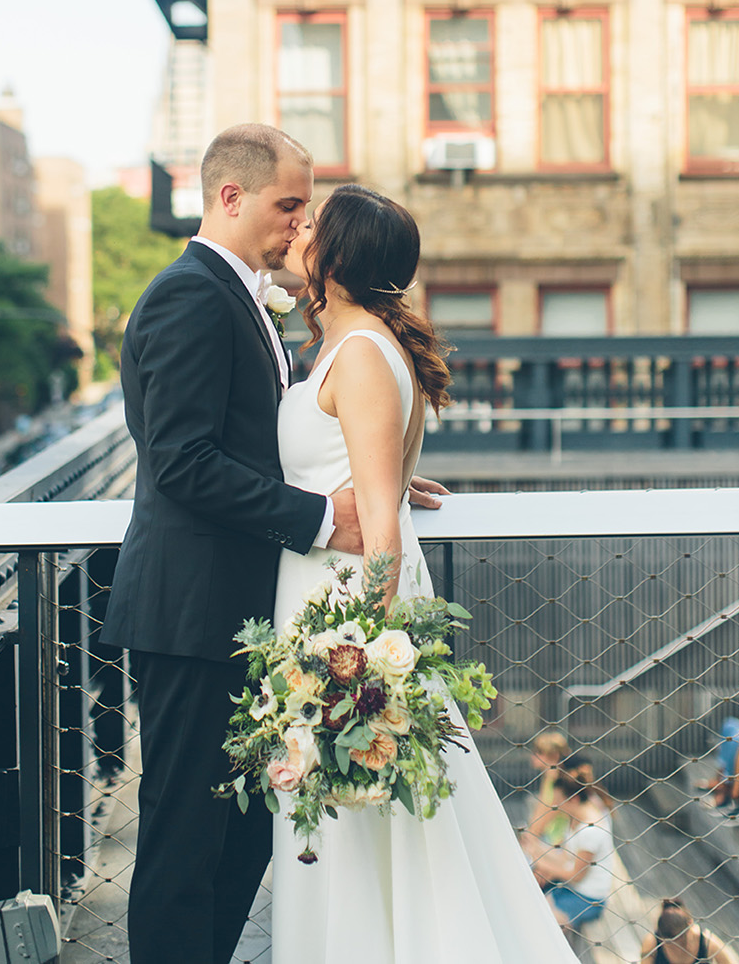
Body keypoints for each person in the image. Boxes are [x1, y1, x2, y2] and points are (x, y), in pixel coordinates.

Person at [101, 126, 445, 964]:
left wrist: (379, 479)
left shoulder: (247, 299)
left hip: (250, 619)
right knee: (186, 842)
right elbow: (182, 462)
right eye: (289, 205)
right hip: (191, 614)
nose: (300, 227)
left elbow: (265, 444)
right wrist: (329, 517)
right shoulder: (191, 294)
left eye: (307, 211)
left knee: (243, 839)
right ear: (230, 196)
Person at [270, 183, 579, 963]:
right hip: (321, 610)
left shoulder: (366, 352)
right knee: (350, 830)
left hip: (344, 626)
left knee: (370, 830)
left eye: (309, 227)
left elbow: (382, 536)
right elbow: (362, 472)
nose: (295, 233)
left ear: (333, 260)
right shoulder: (349, 345)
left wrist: (360, 675)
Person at [544, 766, 615, 936]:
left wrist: (542, 863)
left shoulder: (590, 830)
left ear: (574, 799)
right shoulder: (576, 818)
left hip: (590, 899)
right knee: (535, 904)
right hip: (572, 889)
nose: (555, 805)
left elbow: (577, 876)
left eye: (559, 800)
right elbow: (567, 857)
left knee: (545, 920)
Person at [640, 897, 735, 963]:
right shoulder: (651, 943)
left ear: (690, 928)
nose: (676, 948)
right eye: (669, 944)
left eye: (680, 942)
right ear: (661, 938)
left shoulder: (706, 942)